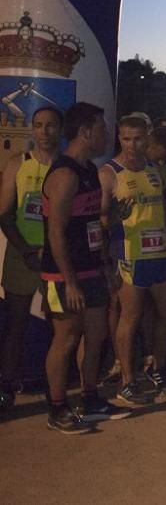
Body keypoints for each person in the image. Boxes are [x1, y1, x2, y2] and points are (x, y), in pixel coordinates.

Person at [40, 102, 123, 433]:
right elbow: (56, 231)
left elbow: (90, 223)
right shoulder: (65, 174)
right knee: (66, 338)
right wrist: (69, 281)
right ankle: (57, 408)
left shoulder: (89, 169)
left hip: (91, 268)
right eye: (102, 128)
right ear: (85, 132)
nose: (107, 134)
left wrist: (103, 262)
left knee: (97, 334)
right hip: (65, 274)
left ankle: (90, 398)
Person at [100, 115, 166, 402]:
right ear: (118, 138)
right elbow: (98, 221)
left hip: (162, 253)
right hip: (130, 256)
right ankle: (127, 379)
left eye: (138, 138)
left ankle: (156, 366)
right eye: (126, 138)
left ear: (148, 137)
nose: (132, 144)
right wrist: (112, 218)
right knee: (130, 318)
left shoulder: (156, 170)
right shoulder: (109, 173)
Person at [0, 107, 61, 416]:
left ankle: (56, 390)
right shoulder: (17, 164)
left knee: (58, 327)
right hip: (22, 254)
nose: (44, 131)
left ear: (60, 130)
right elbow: (4, 213)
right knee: (15, 323)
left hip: (55, 256)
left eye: (50, 126)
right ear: (32, 130)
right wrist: (25, 250)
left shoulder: (67, 168)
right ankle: (6, 386)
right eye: (38, 125)